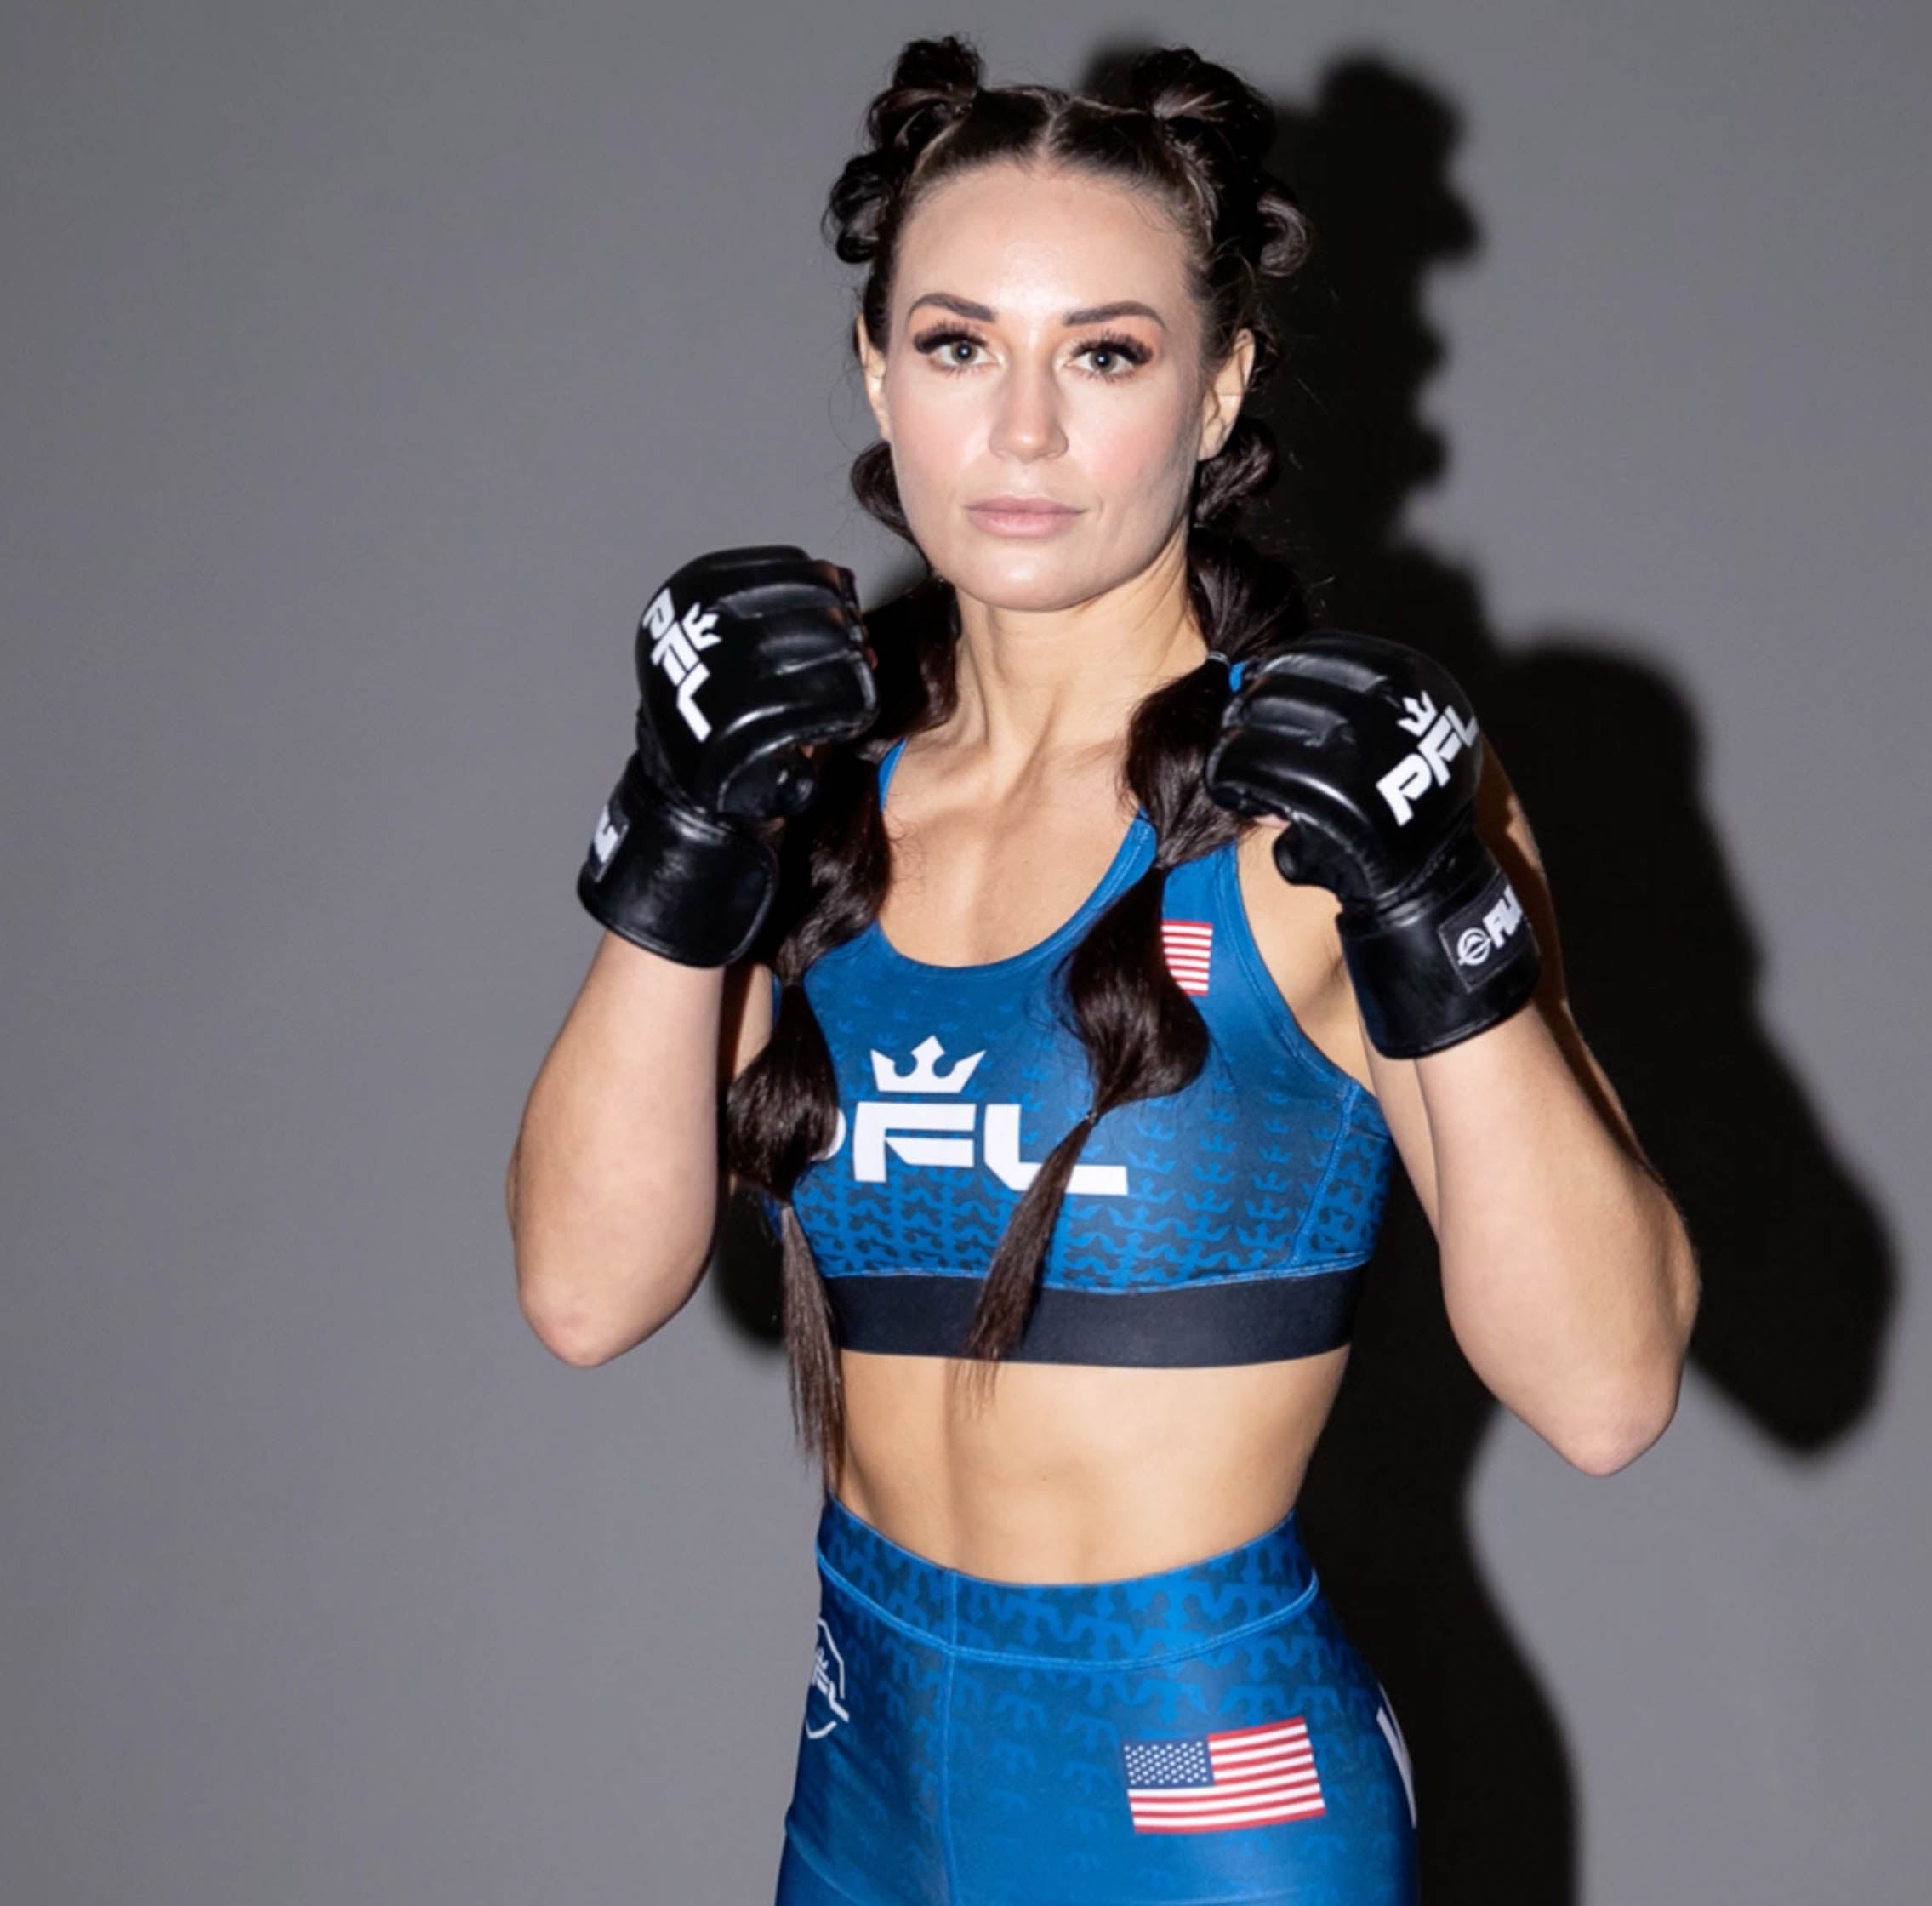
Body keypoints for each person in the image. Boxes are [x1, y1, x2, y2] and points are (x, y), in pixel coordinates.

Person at [506, 37, 1697, 1906]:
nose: (1027, 431)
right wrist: (672, 833)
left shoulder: (1324, 816)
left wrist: (1435, 910)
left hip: (1211, 1802)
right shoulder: (803, 791)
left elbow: (1609, 1391)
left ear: (1219, 389)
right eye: (962, 344)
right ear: (876, 372)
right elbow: (583, 1291)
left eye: (1108, 353)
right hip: (865, 1784)